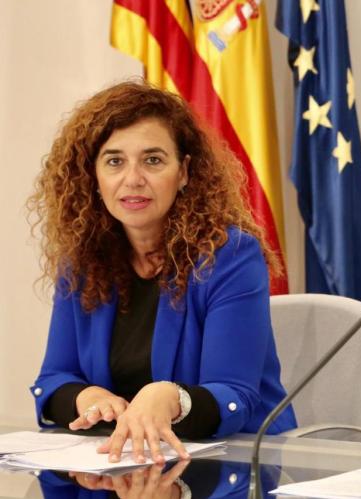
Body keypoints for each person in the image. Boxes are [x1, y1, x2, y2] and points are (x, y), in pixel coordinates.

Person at [28, 81, 296, 464]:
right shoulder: (84, 262)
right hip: (125, 465)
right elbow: (53, 380)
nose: (133, 179)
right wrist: (87, 397)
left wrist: (172, 397)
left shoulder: (229, 256)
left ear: (184, 172)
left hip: (234, 467)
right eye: (114, 161)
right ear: (93, 176)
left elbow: (235, 395)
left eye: (152, 160)